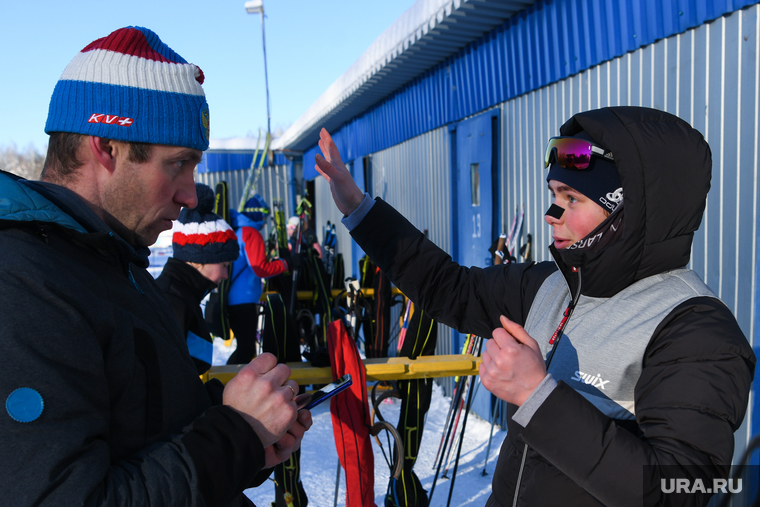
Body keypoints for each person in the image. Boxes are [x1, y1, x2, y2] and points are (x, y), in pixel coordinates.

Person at [314, 106, 756, 506]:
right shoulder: (551, 285)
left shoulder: (696, 330)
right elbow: (448, 287)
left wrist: (537, 396)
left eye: (572, 198)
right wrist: (359, 210)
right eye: (555, 193)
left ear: (628, 212)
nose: (551, 213)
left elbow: (677, 491)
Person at [0, 26, 311, 506]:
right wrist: (234, 433)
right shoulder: (24, 283)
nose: (190, 196)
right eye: (177, 164)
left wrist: (248, 439)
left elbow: (140, 433)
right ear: (106, 147)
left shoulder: (113, 264)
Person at [157, 182, 239, 374]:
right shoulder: (172, 301)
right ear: (201, 259)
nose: (226, 275)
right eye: (224, 265)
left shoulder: (184, 296)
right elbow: (169, 377)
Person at [227, 194, 292, 365]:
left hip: (235, 299)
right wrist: (286, 263)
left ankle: (227, 384)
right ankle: (226, 386)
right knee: (246, 349)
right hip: (243, 301)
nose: (265, 221)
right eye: (264, 215)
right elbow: (260, 269)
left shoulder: (238, 230)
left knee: (244, 348)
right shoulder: (251, 233)